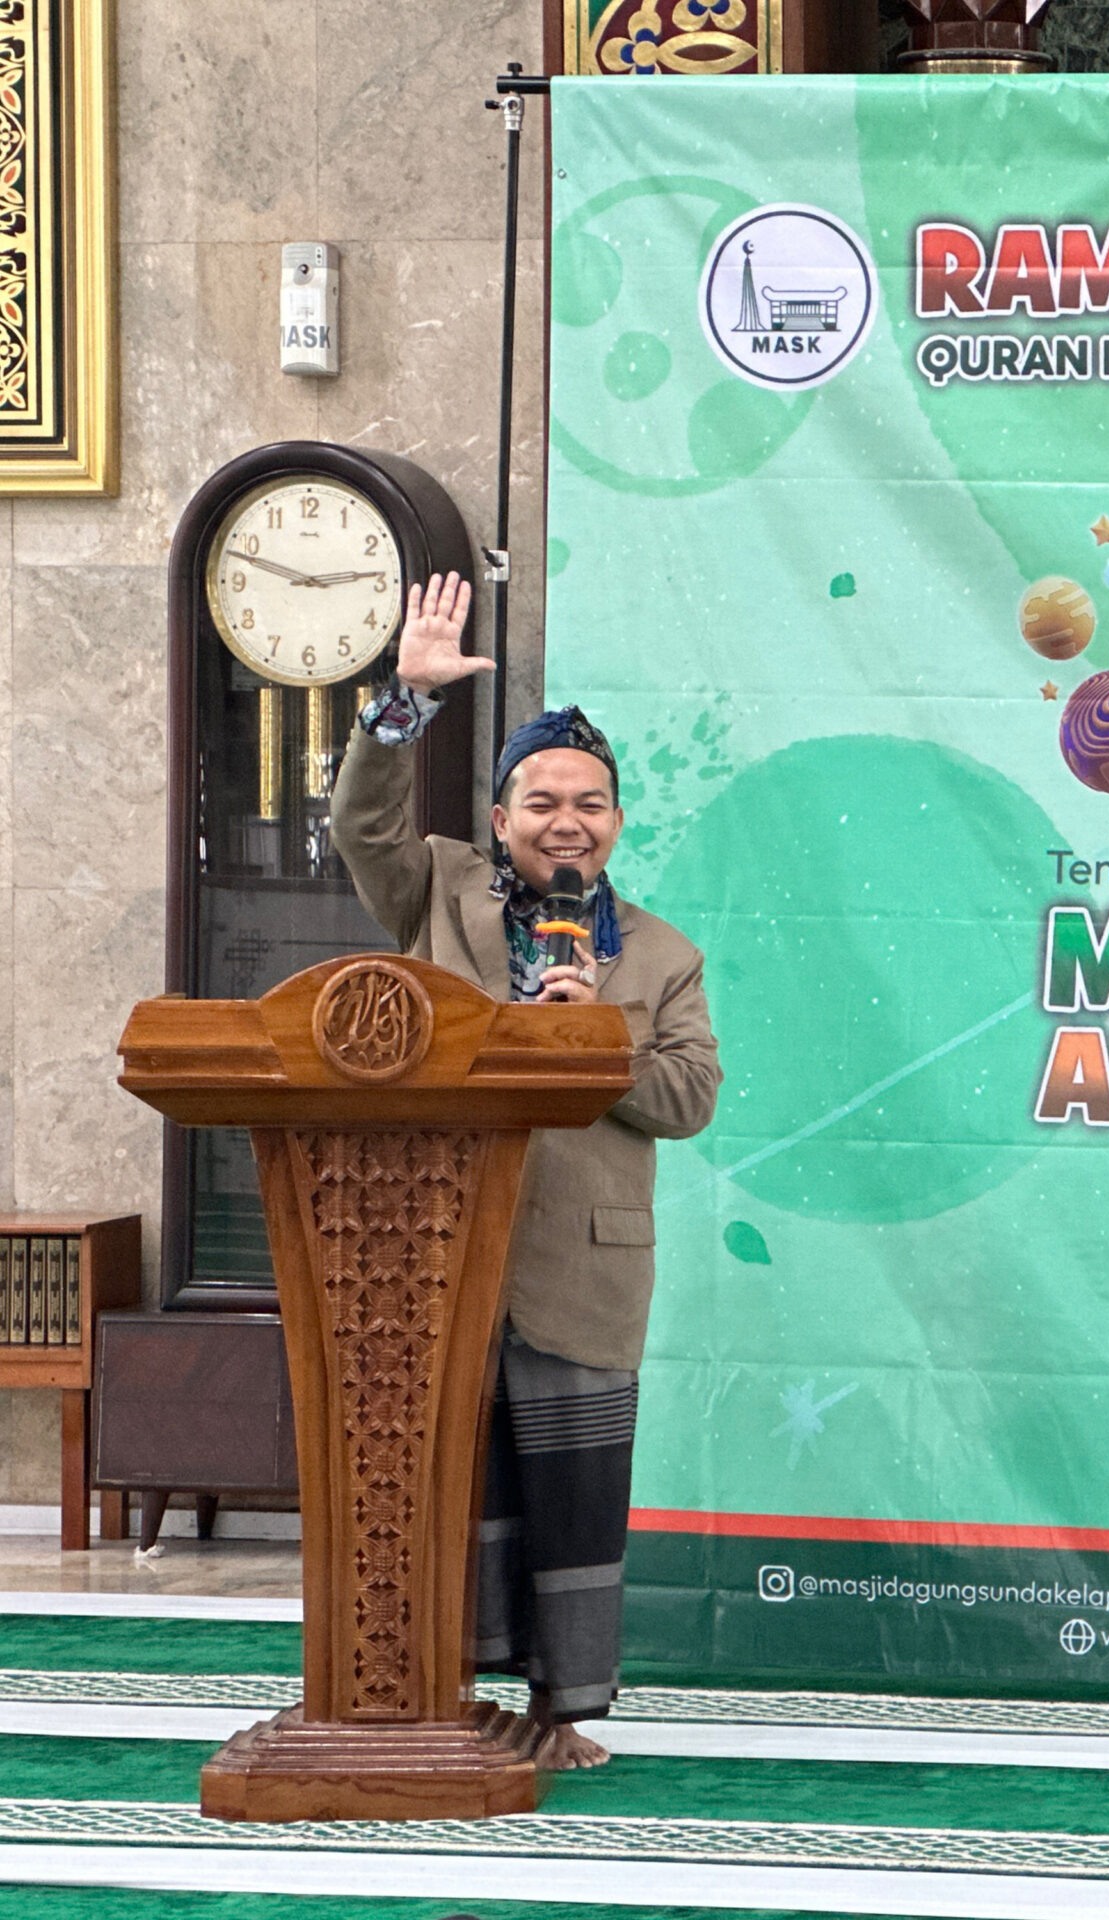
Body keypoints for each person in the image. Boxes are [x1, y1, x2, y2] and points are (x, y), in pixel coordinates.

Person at [328, 571, 721, 1771]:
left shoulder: (660, 955)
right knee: (434, 1485)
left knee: (570, 1503)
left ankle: (560, 1714)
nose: (566, 821)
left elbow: (689, 1098)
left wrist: (595, 1039)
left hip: (579, 1272)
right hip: (428, 1255)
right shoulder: (438, 890)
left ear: (617, 823)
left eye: (589, 803)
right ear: (499, 819)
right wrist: (404, 699)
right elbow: (362, 827)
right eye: (541, 801)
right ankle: (432, 1694)